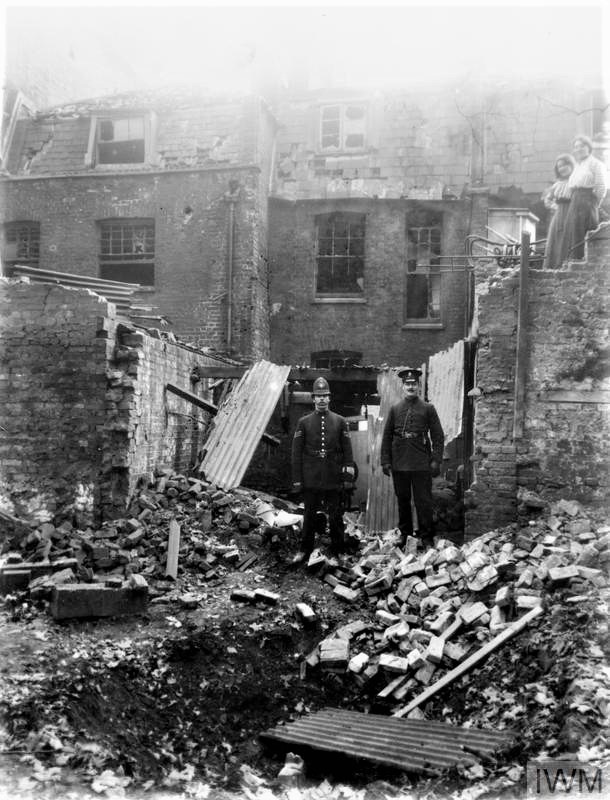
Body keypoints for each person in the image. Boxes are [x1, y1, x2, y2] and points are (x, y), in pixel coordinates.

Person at [290, 376, 355, 565]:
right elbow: (296, 453)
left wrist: (348, 477)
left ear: (330, 398)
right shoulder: (304, 422)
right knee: (309, 515)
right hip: (311, 476)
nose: (321, 399)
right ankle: (304, 550)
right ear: (312, 399)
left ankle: (339, 551)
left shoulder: (340, 421)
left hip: (333, 476)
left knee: (335, 516)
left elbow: (347, 451)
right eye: (318, 396)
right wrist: (297, 480)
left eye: (325, 396)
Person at [380, 367, 444, 550]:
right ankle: (405, 534)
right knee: (403, 500)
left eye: (413, 384)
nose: (410, 387)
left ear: (418, 386)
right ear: (403, 386)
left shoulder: (428, 409)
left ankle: (426, 537)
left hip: (420, 462)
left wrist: (435, 460)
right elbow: (387, 437)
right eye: (407, 384)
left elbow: (438, 436)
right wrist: (386, 460)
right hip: (400, 462)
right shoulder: (395, 409)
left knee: (423, 502)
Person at [562, 135, 607, 261]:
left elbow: (601, 187)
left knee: (585, 234)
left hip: (587, 202)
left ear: (589, 147)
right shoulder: (577, 166)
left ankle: (583, 267)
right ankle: (572, 266)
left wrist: (592, 205)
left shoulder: (596, 164)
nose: (579, 149)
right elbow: (571, 186)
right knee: (573, 234)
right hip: (575, 202)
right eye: (576, 147)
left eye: (582, 146)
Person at [541, 153, 575, 269]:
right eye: (559, 166)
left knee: (569, 239)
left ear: (571, 165)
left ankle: (567, 268)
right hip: (558, 215)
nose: (562, 168)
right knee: (555, 239)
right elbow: (547, 200)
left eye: (565, 165)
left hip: (572, 214)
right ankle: (553, 268)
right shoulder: (556, 185)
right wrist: (555, 207)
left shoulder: (576, 181)